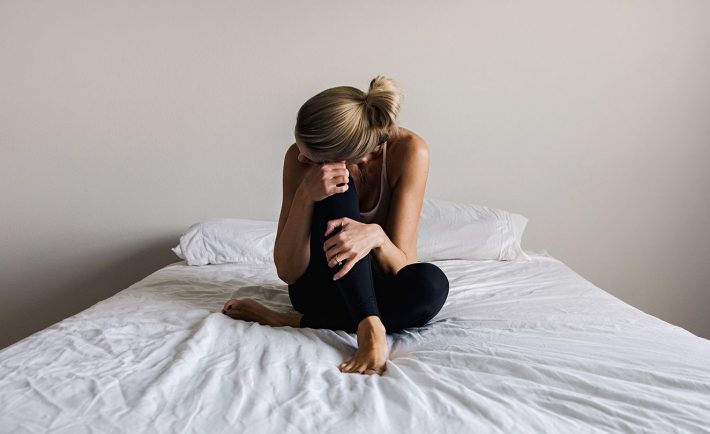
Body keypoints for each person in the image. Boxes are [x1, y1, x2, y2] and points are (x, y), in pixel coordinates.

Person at [221, 75, 449, 376]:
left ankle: (295, 321)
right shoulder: (299, 160)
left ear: (349, 154)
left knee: (431, 285)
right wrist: (305, 195)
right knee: (336, 190)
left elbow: (402, 266)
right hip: (318, 288)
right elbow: (288, 271)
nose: (301, 156)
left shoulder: (408, 151)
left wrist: (376, 237)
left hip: (371, 287)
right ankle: (369, 325)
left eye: (309, 154)